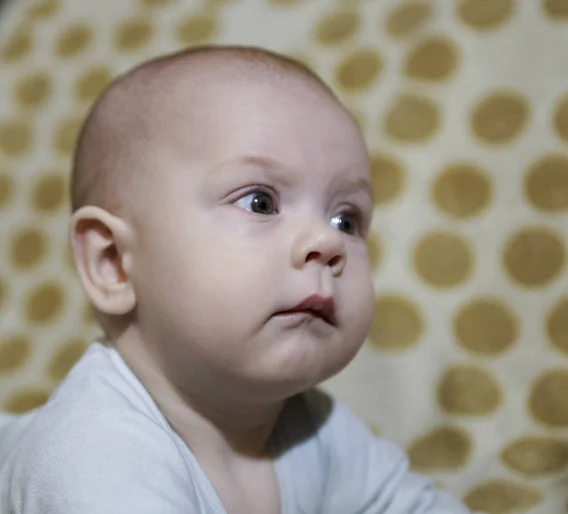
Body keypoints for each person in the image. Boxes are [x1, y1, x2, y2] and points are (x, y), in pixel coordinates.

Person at [0, 45, 472, 513]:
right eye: (260, 203)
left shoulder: (318, 433)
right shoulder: (93, 456)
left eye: (346, 220)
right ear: (114, 262)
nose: (327, 245)